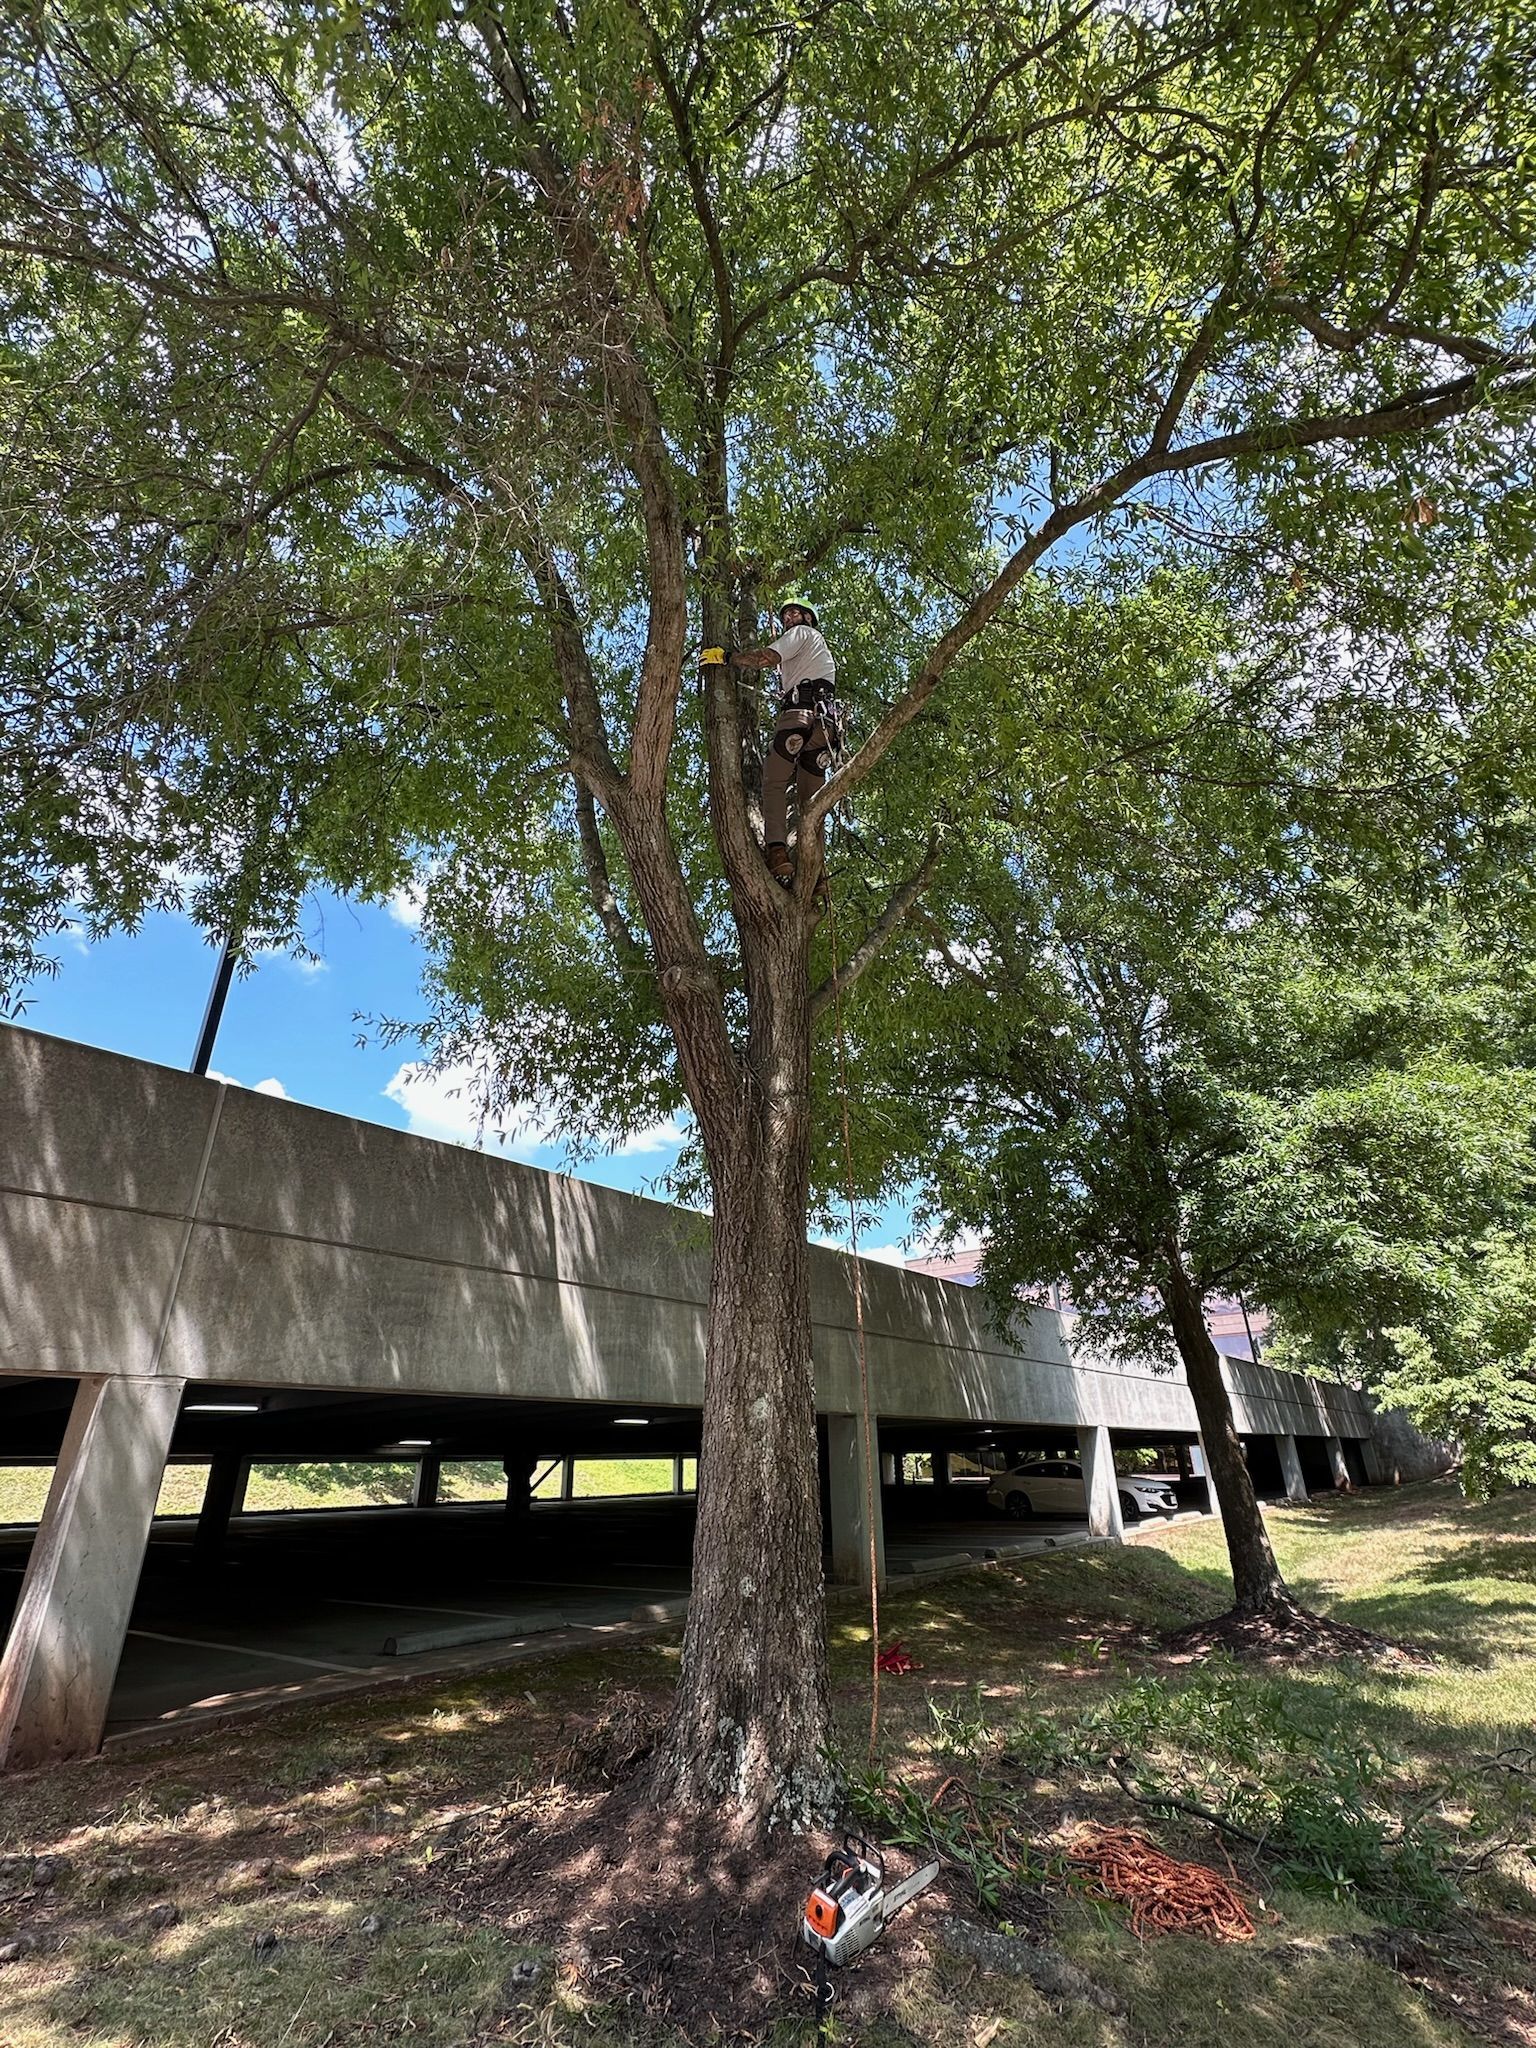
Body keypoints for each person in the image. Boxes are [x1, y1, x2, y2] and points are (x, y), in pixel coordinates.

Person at [730, 601, 838, 885]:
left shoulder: (801, 634)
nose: (788, 618)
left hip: (799, 716)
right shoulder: (817, 648)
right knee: (810, 806)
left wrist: (728, 657)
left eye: (794, 613)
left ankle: (776, 851)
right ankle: (816, 876)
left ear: (807, 618)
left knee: (774, 782)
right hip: (825, 730)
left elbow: (765, 658)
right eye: (785, 615)